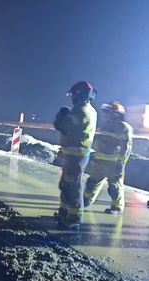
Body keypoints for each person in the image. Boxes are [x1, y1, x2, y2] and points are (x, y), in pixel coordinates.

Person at [53, 81, 98, 230]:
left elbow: (62, 126)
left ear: (78, 95)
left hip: (75, 156)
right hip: (75, 155)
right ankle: (65, 212)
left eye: (72, 95)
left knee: (72, 186)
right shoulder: (89, 110)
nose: (71, 98)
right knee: (67, 184)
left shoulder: (80, 111)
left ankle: (73, 219)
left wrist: (61, 115)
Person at [83, 102, 133, 215]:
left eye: (109, 112)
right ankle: (85, 201)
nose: (107, 115)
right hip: (100, 162)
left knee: (114, 187)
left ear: (116, 114)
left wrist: (121, 163)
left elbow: (126, 147)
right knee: (92, 183)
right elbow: (100, 142)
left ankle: (117, 208)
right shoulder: (107, 125)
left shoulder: (124, 127)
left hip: (113, 164)